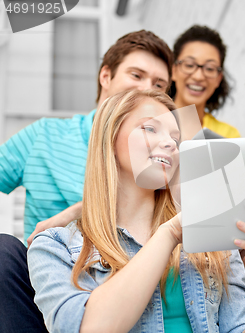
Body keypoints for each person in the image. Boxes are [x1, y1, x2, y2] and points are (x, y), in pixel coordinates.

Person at [28, 89, 245, 333]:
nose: (170, 143)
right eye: (150, 128)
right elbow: (90, 328)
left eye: (176, 137)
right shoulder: (55, 248)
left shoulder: (214, 239)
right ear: (110, 137)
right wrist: (168, 234)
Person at [0, 30, 173, 332]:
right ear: (105, 76)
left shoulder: (165, 156)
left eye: (160, 84)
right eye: (136, 75)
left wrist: (85, 208)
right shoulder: (46, 136)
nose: (147, 88)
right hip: (52, 290)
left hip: (142, 283)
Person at [169, 25, 240, 138]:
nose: (198, 76)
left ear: (218, 79)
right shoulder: (147, 120)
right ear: (174, 70)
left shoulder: (228, 136)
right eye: (189, 65)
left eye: (209, 68)